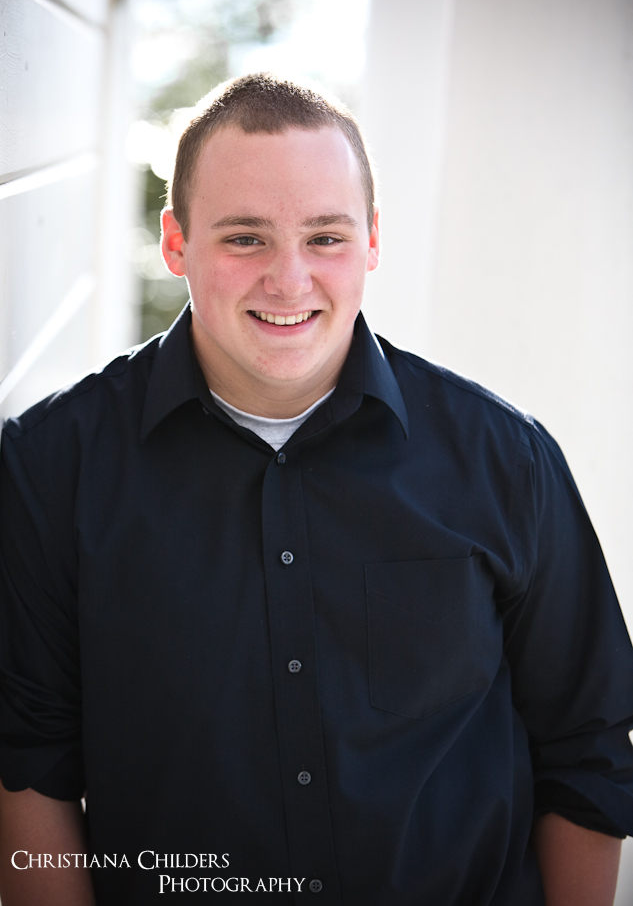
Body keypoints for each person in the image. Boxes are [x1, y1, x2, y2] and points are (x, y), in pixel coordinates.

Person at [0, 73, 632, 906]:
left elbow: (588, 750)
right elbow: (28, 764)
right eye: (245, 238)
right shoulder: (50, 467)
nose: (289, 280)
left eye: (325, 237)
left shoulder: (505, 460)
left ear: (371, 240)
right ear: (176, 243)